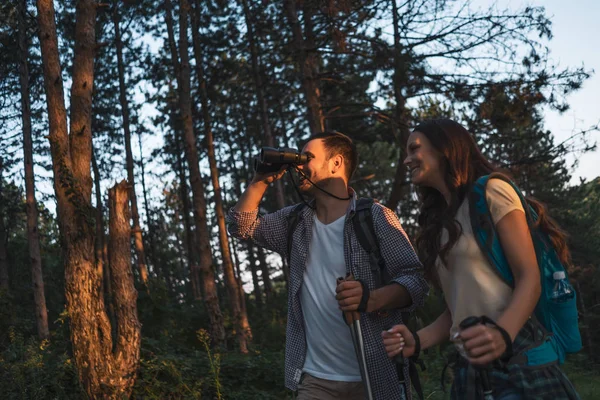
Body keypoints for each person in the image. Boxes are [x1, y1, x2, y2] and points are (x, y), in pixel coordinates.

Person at [382, 119, 580, 400]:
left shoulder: (492, 191)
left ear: (444, 148)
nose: (407, 160)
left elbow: (529, 277)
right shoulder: (442, 225)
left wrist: (502, 334)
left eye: (414, 149)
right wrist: (416, 340)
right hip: (471, 376)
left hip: (520, 366)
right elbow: (459, 309)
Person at [227, 131, 428, 400]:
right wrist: (258, 182)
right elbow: (241, 226)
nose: (298, 166)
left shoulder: (375, 217)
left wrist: (372, 298)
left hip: (375, 373)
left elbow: (415, 281)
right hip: (315, 379)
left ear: (336, 163)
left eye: (307, 157)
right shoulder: (295, 221)